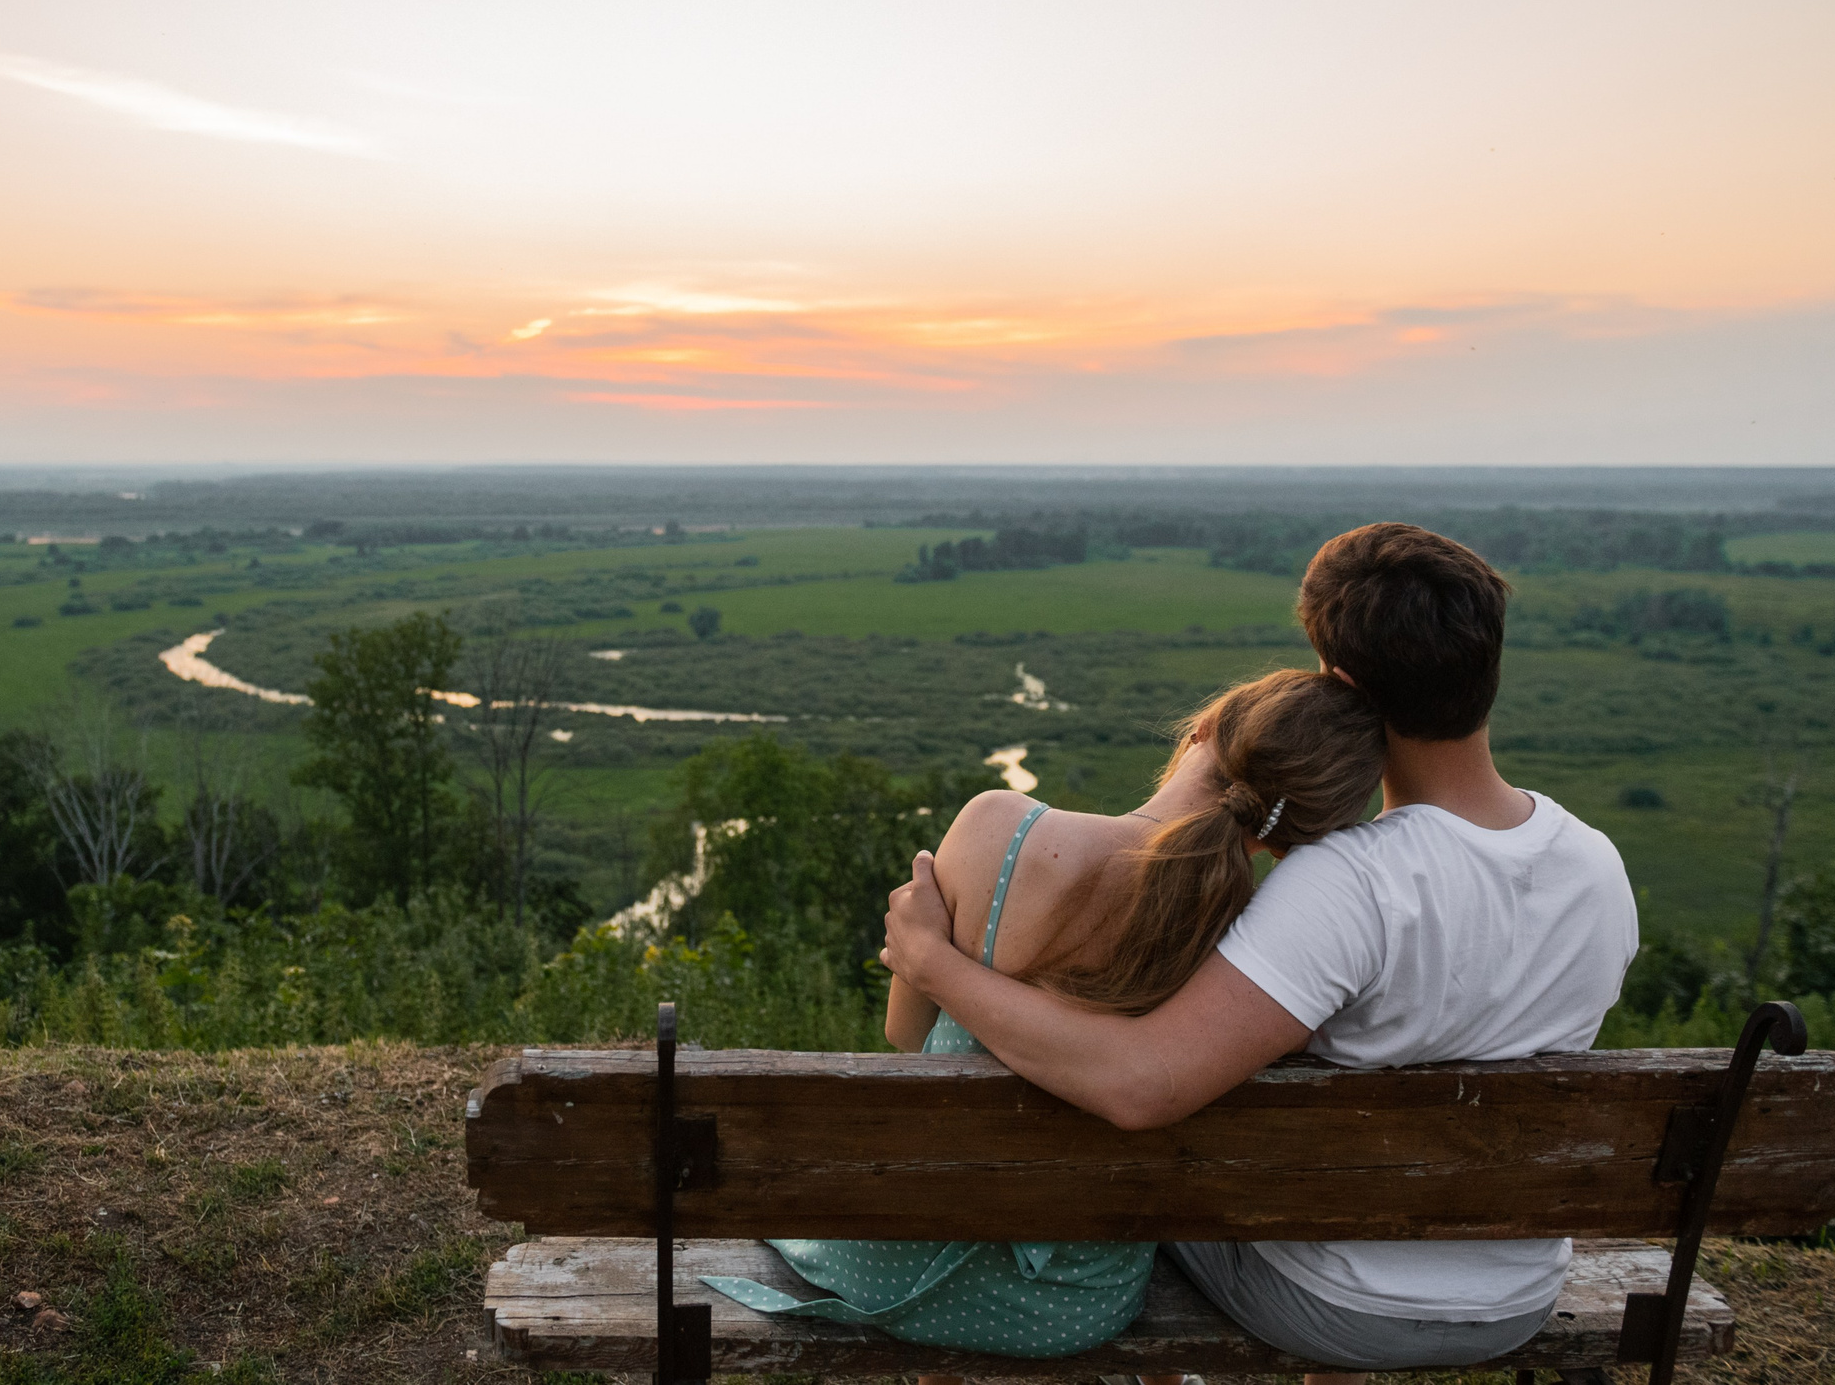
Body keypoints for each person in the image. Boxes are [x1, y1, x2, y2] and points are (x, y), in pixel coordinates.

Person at [881, 522, 1640, 1385]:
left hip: (1338, 1297)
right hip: (1517, 1293)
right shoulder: (1597, 865)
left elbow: (1140, 1085)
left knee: (1142, 1152)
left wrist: (937, 966)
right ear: (1484, 665)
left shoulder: (1348, 883)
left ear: (1342, 686)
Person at [700, 666, 1386, 1381]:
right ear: (1290, 840)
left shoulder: (998, 826)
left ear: (1204, 728)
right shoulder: (1259, 956)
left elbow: (904, 1035)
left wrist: (938, 959)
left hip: (879, 1261)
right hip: (1066, 1305)